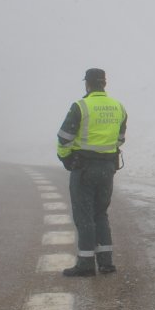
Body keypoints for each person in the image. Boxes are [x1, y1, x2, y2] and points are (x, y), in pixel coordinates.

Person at [56, 67, 127, 276]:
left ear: (87, 83)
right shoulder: (118, 107)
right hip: (107, 167)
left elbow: (64, 137)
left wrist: (65, 157)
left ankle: (86, 264)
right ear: (104, 83)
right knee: (100, 213)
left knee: (84, 215)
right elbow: (120, 138)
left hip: (84, 167)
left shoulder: (80, 106)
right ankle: (106, 263)